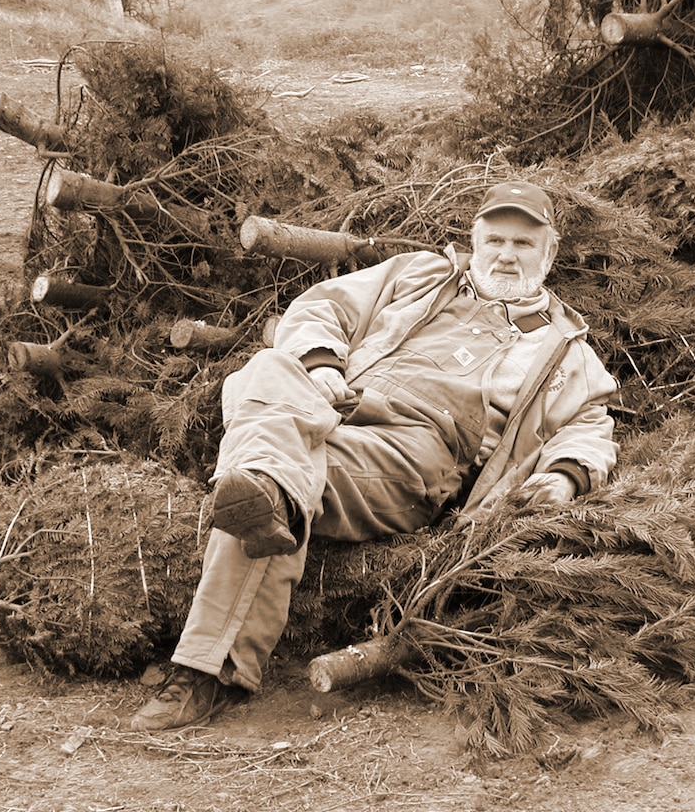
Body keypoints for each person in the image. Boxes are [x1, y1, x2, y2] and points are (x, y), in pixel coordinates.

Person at [129, 180, 619, 731]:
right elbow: (321, 307)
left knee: (279, 466)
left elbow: (590, 428)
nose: (506, 255)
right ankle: (268, 508)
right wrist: (321, 365)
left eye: (523, 244)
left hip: (413, 453)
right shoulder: (418, 274)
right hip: (332, 408)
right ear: (474, 242)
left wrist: (563, 477)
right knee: (269, 372)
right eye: (495, 240)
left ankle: (202, 669)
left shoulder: (564, 349)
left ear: (549, 253)